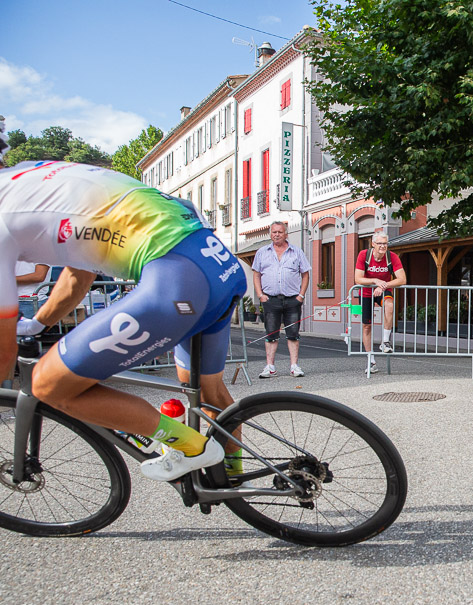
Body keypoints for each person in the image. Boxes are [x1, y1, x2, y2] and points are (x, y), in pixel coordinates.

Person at [0, 157, 246, 482]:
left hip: (177, 282)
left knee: (46, 384)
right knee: (208, 392)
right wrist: (36, 325)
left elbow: (4, 354)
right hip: (217, 265)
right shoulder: (35, 179)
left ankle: (191, 446)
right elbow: (77, 278)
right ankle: (232, 479)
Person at [251, 221, 310, 378]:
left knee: (293, 333)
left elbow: (305, 274)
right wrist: (260, 295)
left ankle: (294, 366)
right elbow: (256, 274)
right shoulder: (262, 252)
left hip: (292, 300)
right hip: (270, 299)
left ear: (286, 234)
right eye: (274, 232)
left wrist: (301, 295)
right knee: (271, 333)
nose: (276, 234)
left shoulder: (296, 252)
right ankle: (270, 366)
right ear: (270, 234)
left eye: (280, 232)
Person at [354, 232, 406, 372]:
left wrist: (383, 286)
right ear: (373, 244)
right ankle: (371, 361)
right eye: (380, 244)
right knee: (366, 326)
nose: (383, 246)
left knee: (390, 305)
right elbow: (358, 279)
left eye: (385, 243)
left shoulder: (392, 256)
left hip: (384, 289)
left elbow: (402, 279)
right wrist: (375, 281)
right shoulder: (364, 255)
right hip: (366, 292)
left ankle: (385, 341)